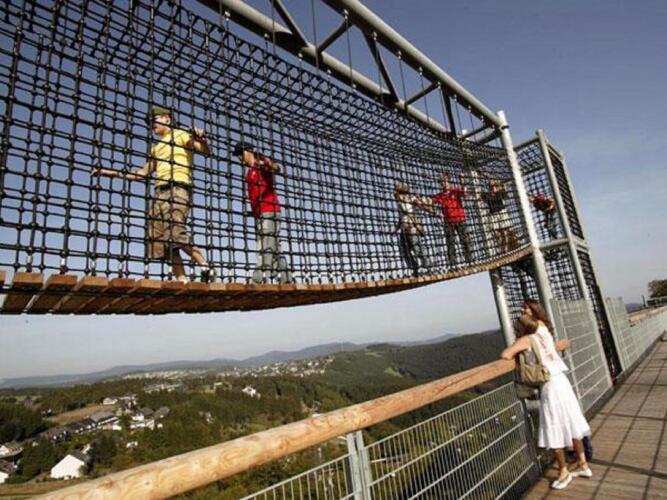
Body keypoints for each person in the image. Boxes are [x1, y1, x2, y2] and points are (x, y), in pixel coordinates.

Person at [92, 106, 213, 283]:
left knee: (176, 233)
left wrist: (201, 139)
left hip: (178, 188)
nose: (151, 125)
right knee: (161, 240)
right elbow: (141, 173)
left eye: (153, 121)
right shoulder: (156, 148)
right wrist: (110, 173)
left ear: (167, 119)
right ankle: (181, 280)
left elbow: (204, 151)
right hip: (159, 193)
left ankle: (205, 267)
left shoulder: (180, 135)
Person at [501, 300, 592, 490]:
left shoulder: (526, 339)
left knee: (554, 425)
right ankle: (583, 465)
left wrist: (520, 350)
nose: (522, 311)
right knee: (571, 422)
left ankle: (564, 472)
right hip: (561, 380)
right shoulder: (544, 328)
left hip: (550, 385)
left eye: (525, 309)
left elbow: (506, 355)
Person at [235, 142, 292, 284]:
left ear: (248, 151)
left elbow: (276, 168)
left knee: (264, 245)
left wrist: (268, 162)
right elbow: (256, 194)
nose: (239, 158)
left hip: (269, 211)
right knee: (275, 247)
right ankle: (286, 279)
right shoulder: (250, 173)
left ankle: (259, 279)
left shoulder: (261, 164)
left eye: (240, 154)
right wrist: (253, 212)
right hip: (260, 214)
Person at [394, 182, 437, 276]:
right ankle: (415, 269)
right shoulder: (399, 203)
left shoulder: (411, 199)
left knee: (418, 249)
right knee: (404, 251)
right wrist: (396, 229)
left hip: (412, 229)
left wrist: (431, 211)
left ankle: (428, 268)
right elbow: (401, 218)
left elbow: (421, 206)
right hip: (404, 230)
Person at [431, 173, 472, 267]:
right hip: (448, 222)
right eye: (441, 182)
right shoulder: (440, 196)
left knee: (465, 241)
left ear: (449, 181)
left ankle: (469, 260)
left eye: (445, 181)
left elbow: (464, 193)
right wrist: (434, 212)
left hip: (460, 220)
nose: (444, 183)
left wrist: (462, 180)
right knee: (450, 243)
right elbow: (429, 201)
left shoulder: (455, 191)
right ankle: (453, 264)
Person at [481, 179, 516, 254]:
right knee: (497, 233)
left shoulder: (500, 192)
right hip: (493, 214)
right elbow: (480, 198)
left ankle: (505, 250)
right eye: (490, 186)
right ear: (489, 187)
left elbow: (507, 196)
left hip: (501, 212)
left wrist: (503, 189)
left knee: (505, 232)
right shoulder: (486, 194)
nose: (492, 187)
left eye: (494, 185)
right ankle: (501, 249)